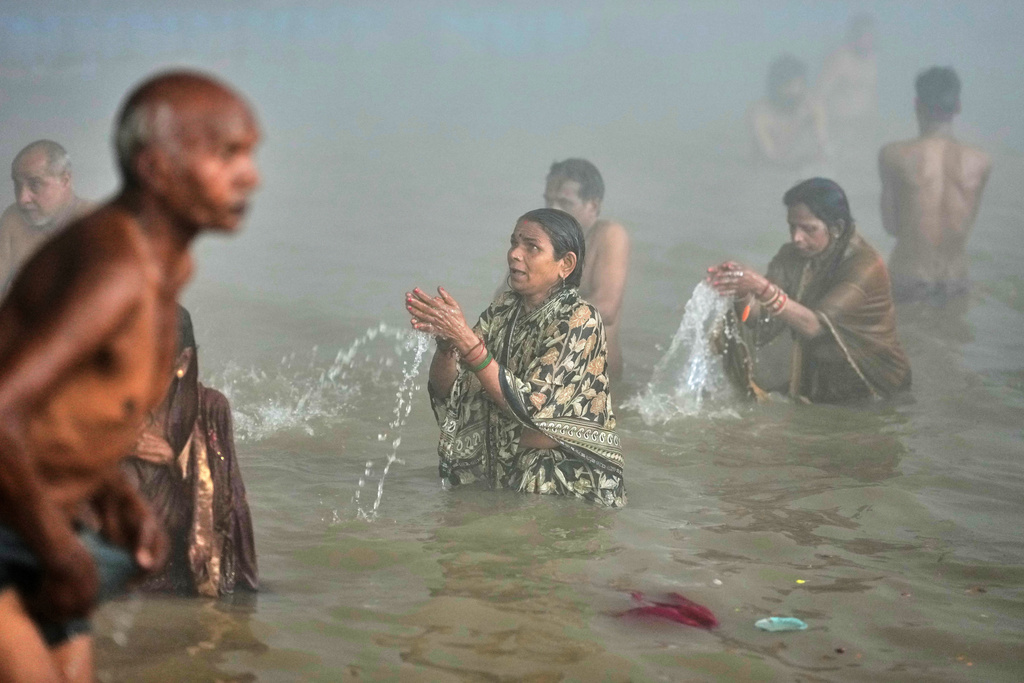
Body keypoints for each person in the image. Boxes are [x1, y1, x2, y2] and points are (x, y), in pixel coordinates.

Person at [0, 70, 260, 682]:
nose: (250, 175)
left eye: (248, 153)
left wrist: (117, 499)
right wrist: (62, 551)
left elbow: (66, 413)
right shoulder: (115, 265)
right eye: (225, 155)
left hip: (38, 522)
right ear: (155, 167)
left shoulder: (152, 265)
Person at [407, 208, 625, 507]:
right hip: (503, 470)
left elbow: (531, 409)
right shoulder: (503, 309)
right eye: (514, 243)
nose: (514, 254)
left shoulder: (580, 318)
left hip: (567, 484)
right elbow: (452, 393)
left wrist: (467, 343)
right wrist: (447, 347)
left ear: (566, 264)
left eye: (531, 247)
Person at [708, 178, 910, 404]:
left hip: (875, 389)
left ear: (836, 228)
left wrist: (761, 288)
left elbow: (814, 326)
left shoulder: (866, 266)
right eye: (792, 226)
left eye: (808, 229)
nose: (796, 237)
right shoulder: (790, 257)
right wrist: (741, 290)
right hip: (817, 384)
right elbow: (757, 319)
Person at [122, 306, 258, 597]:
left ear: (182, 360)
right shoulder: (109, 408)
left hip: (179, 588)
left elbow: (225, 515)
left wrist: (177, 462)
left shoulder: (209, 410)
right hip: (114, 582)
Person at [878, 67, 992, 303]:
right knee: (951, 339)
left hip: (909, 277)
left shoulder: (894, 155)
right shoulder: (981, 162)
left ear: (917, 104)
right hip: (955, 281)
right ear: (958, 106)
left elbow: (891, 225)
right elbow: (963, 226)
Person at [543, 159, 629, 382]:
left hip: (595, 383)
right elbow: (503, 301)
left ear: (593, 205)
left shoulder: (608, 235)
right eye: (548, 201)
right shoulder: (541, 239)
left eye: (564, 203)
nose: (553, 211)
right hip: (546, 375)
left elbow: (606, 309)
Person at [0, 140, 92, 294]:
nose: (22, 199)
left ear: (65, 181)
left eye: (35, 184)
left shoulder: (98, 223)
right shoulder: (13, 217)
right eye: (17, 185)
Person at [749, 54, 830, 167]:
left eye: (800, 85)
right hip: (767, 172)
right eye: (790, 86)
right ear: (776, 87)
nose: (796, 91)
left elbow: (823, 146)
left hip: (798, 164)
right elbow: (771, 157)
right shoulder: (762, 116)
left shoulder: (811, 107)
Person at [816, 14, 878, 130]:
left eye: (871, 34)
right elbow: (820, 95)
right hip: (840, 123)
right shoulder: (840, 59)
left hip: (865, 122)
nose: (868, 38)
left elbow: (871, 93)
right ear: (854, 35)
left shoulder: (872, 61)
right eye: (863, 34)